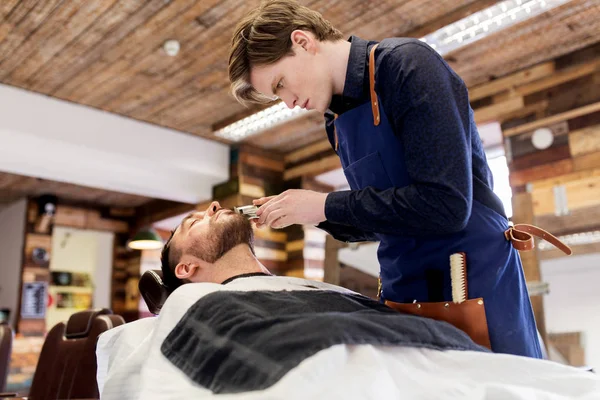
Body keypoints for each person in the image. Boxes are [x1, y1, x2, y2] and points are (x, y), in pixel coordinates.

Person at [227, 0, 546, 358]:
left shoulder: (407, 66)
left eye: (281, 83)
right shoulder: (336, 120)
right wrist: (313, 214)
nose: (287, 103)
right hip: (404, 287)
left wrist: (325, 204)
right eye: (277, 95)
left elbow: (446, 205)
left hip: (470, 278)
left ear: (303, 41)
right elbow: (386, 219)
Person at [160, 201, 271, 291]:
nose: (215, 204)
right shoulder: (214, 314)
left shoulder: (287, 289)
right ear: (186, 267)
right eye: (194, 222)